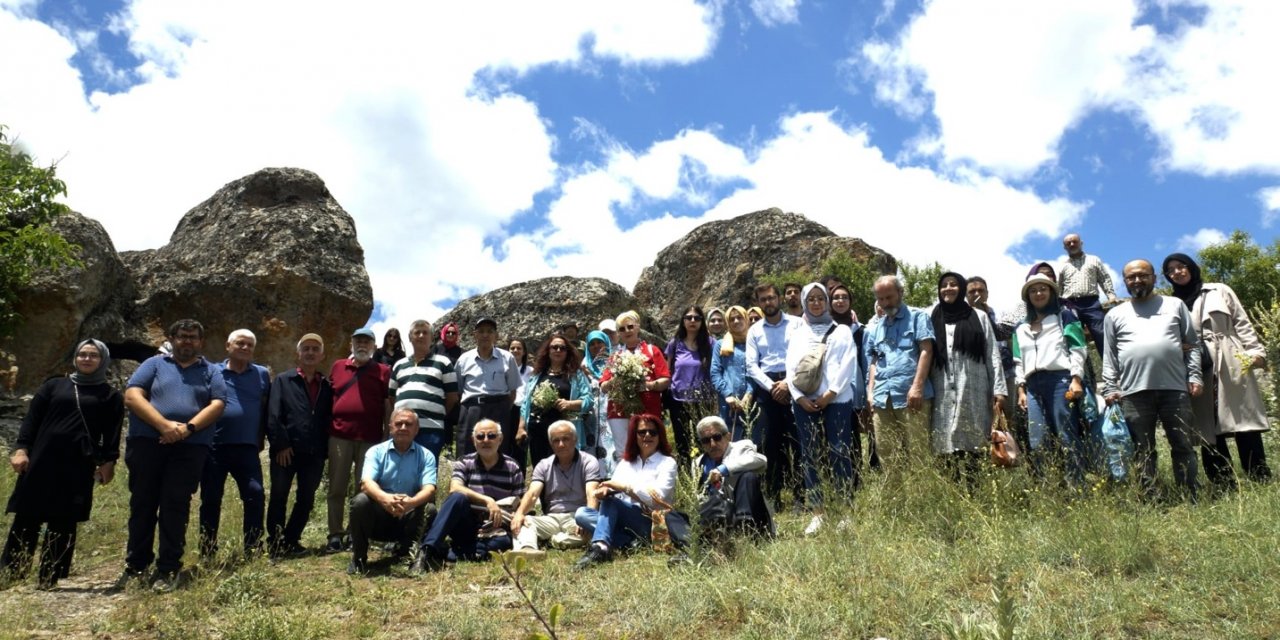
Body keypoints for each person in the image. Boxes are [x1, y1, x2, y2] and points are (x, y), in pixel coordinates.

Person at [2, 340, 123, 590]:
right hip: (41, 459)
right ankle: (12, 573)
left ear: (103, 360)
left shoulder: (110, 396)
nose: (86, 359)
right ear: (75, 358)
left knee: (64, 519)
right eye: (82, 355)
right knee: (27, 516)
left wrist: (108, 462)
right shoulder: (54, 386)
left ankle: (50, 577)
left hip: (78, 463)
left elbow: (112, 433)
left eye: (93, 356)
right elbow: (31, 421)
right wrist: (21, 449)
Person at [118, 319, 227, 592]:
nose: (187, 341)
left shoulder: (211, 371)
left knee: (175, 506)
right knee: (142, 504)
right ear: (172, 338)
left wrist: (187, 428)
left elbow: (218, 404)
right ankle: (137, 566)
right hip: (148, 442)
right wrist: (164, 426)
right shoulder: (153, 364)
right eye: (182, 336)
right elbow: (132, 396)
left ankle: (168, 568)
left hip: (190, 447)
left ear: (201, 342)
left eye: (193, 337)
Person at [1162, 253, 1272, 486]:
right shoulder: (1172, 305)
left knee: (1244, 419)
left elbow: (1242, 322)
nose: (1177, 272)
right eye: (1170, 271)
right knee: (1206, 424)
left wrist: (1255, 352)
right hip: (1195, 365)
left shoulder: (1219, 290)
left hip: (1231, 358)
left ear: (1191, 267)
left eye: (1181, 266)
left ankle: (1259, 477)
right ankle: (1223, 482)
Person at [1102, 259, 1202, 498]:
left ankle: (1190, 494)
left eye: (1143, 275)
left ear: (1154, 278)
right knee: (1142, 449)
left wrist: (1195, 375)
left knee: (1182, 444)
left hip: (1175, 388)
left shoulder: (1175, 305)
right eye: (1131, 277)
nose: (1137, 280)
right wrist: (1109, 388)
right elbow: (1109, 355)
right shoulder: (1115, 315)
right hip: (1133, 393)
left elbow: (1193, 345)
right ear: (1125, 281)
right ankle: (1151, 498)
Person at [786, 283, 858, 535]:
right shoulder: (797, 333)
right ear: (805, 303)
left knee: (839, 452)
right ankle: (818, 512)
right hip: (805, 402)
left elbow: (847, 364)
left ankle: (845, 511)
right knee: (810, 455)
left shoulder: (842, 332)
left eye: (820, 298)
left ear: (826, 302)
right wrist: (797, 397)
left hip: (837, 401)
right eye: (811, 299)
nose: (816, 303)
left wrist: (830, 393)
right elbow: (791, 368)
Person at [198, 329, 271, 560]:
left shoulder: (260, 374)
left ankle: (253, 548)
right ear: (228, 346)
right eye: (240, 343)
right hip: (214, 446)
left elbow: (264, 406)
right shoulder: (212, 371)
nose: (245, 348)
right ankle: (207, 550)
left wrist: (260, 438)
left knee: (255, 494)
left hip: (247, 447)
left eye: (250, 345)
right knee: (210, 499)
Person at [1010, 275, 1088, 487]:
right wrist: (1021, 390)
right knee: (1038, 440)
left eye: (1043, 289)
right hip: (1033, 386)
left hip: (1060, 381)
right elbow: (1019, 360)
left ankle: (1077, 487)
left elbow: (1078, 349)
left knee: (1067, 435)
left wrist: (1076, 378)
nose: (1038, 294)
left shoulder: (1064, 317)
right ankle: (1049, 488)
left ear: (1051, 292)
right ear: (1028, 297)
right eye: (1033, 291)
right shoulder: (1020, 327)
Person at [415, 420, 524, 570]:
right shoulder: (465, 462)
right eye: (480, 436)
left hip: (495, 530)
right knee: (457, 498)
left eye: (491, 436)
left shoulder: (513, 467)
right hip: (467, 526)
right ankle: (427, 551)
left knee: (504, 542)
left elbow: (519, 505)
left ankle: (452, 553)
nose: (486, 440)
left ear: (500, 439)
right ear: (473, 441)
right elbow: (455, 488)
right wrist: (488, 500)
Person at [930, 272, 1006, 486]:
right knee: (944, 442)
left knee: (973, 442)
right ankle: (951, 495)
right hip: (941, 387)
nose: (948, 288)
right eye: (944, 285)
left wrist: (999, 389)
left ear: (961, 288)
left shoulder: (978, 316)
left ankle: (975, 492)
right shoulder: (930, 316)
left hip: (973, 387)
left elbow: (992, 353)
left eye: (953, 284)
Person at [573, 414, 678, 570]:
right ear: (634, 436)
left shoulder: (667, 463)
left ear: (660, 436)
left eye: (652, 432)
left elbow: (658, 498)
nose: (647, 435)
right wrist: (604, 491)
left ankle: (600, 547)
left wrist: (626, 488)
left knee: (612, 504)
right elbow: (613, 487)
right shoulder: (626, 463)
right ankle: (629, 542)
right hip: (623, 518)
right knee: (582, 514)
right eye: (642, 432)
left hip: (651, 520)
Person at [266, 333, 333, 558]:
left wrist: (325, 450)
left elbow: (327, 418)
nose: (311, 352)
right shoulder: (284, 380)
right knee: (279, 495)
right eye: (306, 348)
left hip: (314, 452)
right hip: (286, 451)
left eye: (315, 349)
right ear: (299, 353)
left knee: (306, 499)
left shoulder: (326, 385)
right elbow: (274, 414)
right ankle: (275, 544)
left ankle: (291, 540)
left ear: (322, 355)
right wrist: (281, 444)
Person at [326, 328, 391, 554]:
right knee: (336, 487)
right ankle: (335, 535)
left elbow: (386, 404)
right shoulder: (337, 366)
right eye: (358, 341)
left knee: (364, 489)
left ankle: (357, 533)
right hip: (339, 436)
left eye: (367, 341)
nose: (362, 345)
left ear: (374, 346)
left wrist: (386, 433)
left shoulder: (383, 371)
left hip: (370, 438)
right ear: (351, 344)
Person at [348, 409, 437, 575]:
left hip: (407, 517)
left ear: (416, 429)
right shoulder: (375, 452)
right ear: (390, 427)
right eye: (398, 423)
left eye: (408, 424)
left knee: (429, 509)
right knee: (360, 501)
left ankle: (413, 555)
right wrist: (385, 499)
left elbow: (429, 489)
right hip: (379, 517)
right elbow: (366, 483)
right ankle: (359, 558)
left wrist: (411, 502)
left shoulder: (426, 456)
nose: (403, 427)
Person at [867, 276, 936, 478]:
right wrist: (871, 393)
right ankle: (895, 503)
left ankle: (921, 501)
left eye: (889, 297)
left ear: (900, 293)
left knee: (918, 452)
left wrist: (917, 387)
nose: (886, 303)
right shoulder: (877, 326)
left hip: (911, 396)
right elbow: (874, 361)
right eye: (881, 299)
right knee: (887, 453)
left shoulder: (918, 317)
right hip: (882, 398)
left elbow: (926, 351)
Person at [509, 421, 604, 559]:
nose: (561, 444)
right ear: (550, 443)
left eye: (565, 439)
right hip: (551, 518)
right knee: (525, 521)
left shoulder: (589, 461)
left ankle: (554, 540)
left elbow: (592, 493)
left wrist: (587, 518)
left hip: (577, 517)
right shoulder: (543, 465)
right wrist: (519, 514)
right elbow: (533, 493)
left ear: (575, 439)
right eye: (556, 440)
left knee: (590, 533)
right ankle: (528, 549)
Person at [744, 284, 800, 503]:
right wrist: (773, 387)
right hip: (766, 389)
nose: (768, 303)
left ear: (779, 299)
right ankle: (773, 496)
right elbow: (751, 365)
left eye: (771, 298)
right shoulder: (754, 331)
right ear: (759, 303)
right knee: (767, 443)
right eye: (763, 300)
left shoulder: (797, 324)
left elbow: (803, 356)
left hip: (794, 384)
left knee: (798, 442)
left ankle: (801, 496)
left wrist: (786, 383)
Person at [599, 310, 671, 463]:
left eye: (630, 327)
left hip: (648, 407)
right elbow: (604, 386)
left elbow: (665, 380)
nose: (627, 331)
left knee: (650, 448)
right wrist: (617, 380)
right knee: (623, 452)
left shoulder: (652, 350)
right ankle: (624, 486)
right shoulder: (614, 356)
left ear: (638, 327)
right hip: (618, 410)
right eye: (622, 329)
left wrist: (649, 385)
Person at [688, 416, 773, 539]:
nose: (712, 444)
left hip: (750, 513)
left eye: (717, 437)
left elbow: (761, 460)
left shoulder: (741, 447)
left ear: (728, 436)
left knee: (748, 476)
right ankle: (693, 543)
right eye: (706, 441)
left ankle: (744, 524)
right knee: (673, 516)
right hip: (717, 513)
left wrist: (723, 469)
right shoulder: (698, 463)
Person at [455, 317, 524, 461]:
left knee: (498, 448)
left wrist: (503, 408)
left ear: (496, 335)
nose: (485, 335)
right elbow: (458, 390)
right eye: (481, 331)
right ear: (475, 335)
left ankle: (498, 482)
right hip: (471, 409)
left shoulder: (507, 358)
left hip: (499, 408)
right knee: (466, 449)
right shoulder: (464, 359)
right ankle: (463, 482)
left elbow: (512, 391)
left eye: (489, 331)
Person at [388, 320, 458, 459]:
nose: (421, 335)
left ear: (432, 338)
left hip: (431, 429)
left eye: (425, 332)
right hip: (402, 429)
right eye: (417, 332)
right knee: (398, 472)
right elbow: (392, 396)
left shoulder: (443, 362)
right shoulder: (399, 365)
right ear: (410, 337)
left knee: (428, 473)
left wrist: (435, 412)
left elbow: (452, 397)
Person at [519, 334, 593, 462]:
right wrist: (521, 428)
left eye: (562, 348)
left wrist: (569, 404)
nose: (558, 350)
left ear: (567, 352)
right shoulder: (537, 374)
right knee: (541, 470)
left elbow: (589, 400)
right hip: (537, 432)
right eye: (554, 347)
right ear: (548, 351)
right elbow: (526, 404)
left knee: (564, 467)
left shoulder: (576, 375)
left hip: (563, 434)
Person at [664, 305, 716, 463]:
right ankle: (686, 476)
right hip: (678, 400)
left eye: (697, 318)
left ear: (702, 321)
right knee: (682, 440)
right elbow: (667, 370)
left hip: (703, 400)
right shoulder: (675, 343)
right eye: (689, 317)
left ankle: (704, 475)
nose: (692, 321)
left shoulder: (710, 343)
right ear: (683, 321)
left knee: (704, 439)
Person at [1059, 234, 1118, 356]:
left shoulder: (1093, 259)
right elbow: (1059, 287)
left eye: (1074, 241)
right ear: (1064, 247)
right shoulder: (1063, 266)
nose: (1071, 244)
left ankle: (1112, 369)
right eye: (1068, 243)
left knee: (1102, 334)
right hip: (1070, 304)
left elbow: (1104, 278)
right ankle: (1083, 372)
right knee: (1073, 338)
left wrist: (1111, 295)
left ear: (1081, 243)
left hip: (1091, 303)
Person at [710, 306, 753, 440]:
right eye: (732, 319)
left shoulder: (754, 342)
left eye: (739, 317)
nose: (736, 321)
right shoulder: (721, 345)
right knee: (730, 443)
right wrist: (728, 394)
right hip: (728, 404)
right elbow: (715, 372)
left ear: (746, 319)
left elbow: (756, 371)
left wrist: (749, 394)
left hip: (753, 401)